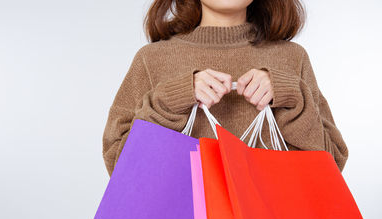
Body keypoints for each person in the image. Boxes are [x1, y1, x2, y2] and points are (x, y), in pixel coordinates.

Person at [102, 0, 349, 177]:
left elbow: (331, 166)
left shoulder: (292, 58)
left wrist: (289, 96)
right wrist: (171, 99)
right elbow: (118, 165)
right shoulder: (152, 59)